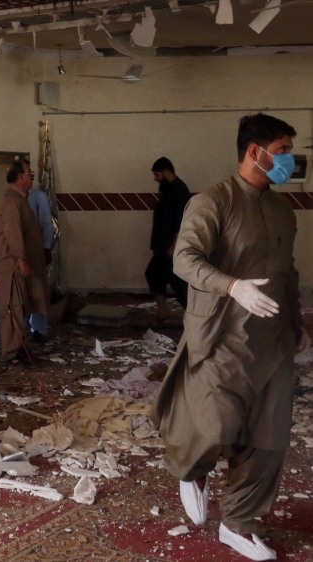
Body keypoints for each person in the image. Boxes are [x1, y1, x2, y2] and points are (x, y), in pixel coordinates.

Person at [151, 114, 311, 561]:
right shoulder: (212, 202)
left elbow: (287, 271)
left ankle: (239, 523)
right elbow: (183, 259)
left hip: (273, 339)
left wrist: (297, 322)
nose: (289, 160)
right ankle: (191, 468)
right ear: (254, 152)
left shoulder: (283, 209)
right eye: (281, 150)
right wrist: (232, 285)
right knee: (215, 424)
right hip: (223, 334)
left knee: (269, 437)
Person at [0, 160, 47, 364]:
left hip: (17, 263)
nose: (32, 175)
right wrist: (22, 259)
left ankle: (19, 346)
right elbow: (13, 234)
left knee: (20, 307)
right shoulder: (11, 201)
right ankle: (11, 354)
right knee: (12, 308)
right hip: (11, 265)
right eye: (29, 172)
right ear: (20, 177)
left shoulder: (19, 198)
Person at [145, 157, 191, 322]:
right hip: (164, 246)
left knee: (177, 283)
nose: (155, 179)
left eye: (157, 175)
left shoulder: (179, 191)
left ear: (166, 173)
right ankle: (165, 312)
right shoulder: (171, 190)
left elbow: (182, 221)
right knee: (159, 276)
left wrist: (175, 246)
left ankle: (193, 316)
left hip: (170, 247)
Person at [25, 183, 55, 343]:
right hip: (19, 249)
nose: (31, 176)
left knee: (37, 288)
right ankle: (23, 326)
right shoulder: (13, 197)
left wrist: (46, 247)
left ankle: (39, 329)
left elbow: (46, 224)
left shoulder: (38, 196)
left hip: (36, 248)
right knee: (22, 289)